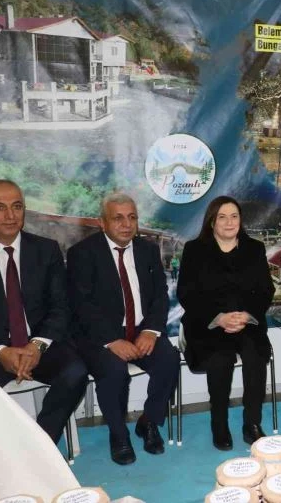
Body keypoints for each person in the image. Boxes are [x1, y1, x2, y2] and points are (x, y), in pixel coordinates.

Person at [0, 180, 87, 444]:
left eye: (17, 206)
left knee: (75, 372)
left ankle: (41, 444)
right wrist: (2, 352)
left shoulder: (46, 250)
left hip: (39, 346)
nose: (10, 216)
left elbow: (61, 306)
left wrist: (36, 347)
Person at [67, 193, 179, 465]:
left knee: (169, 360)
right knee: (114, 371)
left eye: (132, 217)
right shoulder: (82, 254)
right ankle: (119, 434)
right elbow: (80, 305)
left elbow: (160, 296)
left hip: (141, 330)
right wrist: (111, 341)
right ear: (102, 222)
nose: (126, 224)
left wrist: (151, 330)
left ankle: (149, 421)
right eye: (118, 218)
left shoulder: (148, 250)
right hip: (100, 336)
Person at [177, 196, 274, 450]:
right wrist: (218, 318)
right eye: (222, 216)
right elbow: (187, 294)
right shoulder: (194, 250)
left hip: (246, 322)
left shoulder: (254, 248)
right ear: (211, 222)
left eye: (234, 216)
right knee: (220, 358)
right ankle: (218, 424)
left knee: (255, 355)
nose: (229, 222)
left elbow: (266, 290)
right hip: (207, 324)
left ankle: (251, 423)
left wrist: (247, 315)